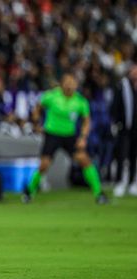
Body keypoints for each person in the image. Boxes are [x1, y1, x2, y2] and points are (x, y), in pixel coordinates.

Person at [22, 73, 108, 204]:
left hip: (70, 136)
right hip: (52, 134)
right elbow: (37, 108)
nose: (70, 85)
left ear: (76, 85)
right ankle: (29, 191)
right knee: (44, 165)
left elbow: (86, 121)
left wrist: (83, 138)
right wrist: (36, 124)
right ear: (61, 84)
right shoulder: (51, 96)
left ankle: (99, 193)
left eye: (72, 83)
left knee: (85, 160)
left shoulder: (80, 101)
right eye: (67, 82)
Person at [111, 65, 137, 197]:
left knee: (134, 156)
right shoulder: (122, 86)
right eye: (134, 70)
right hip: (124, 127)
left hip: (136, 129)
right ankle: (120, 182)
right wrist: (115, 123)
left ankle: (133, 183)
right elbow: (115, 105)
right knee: (122, 155)